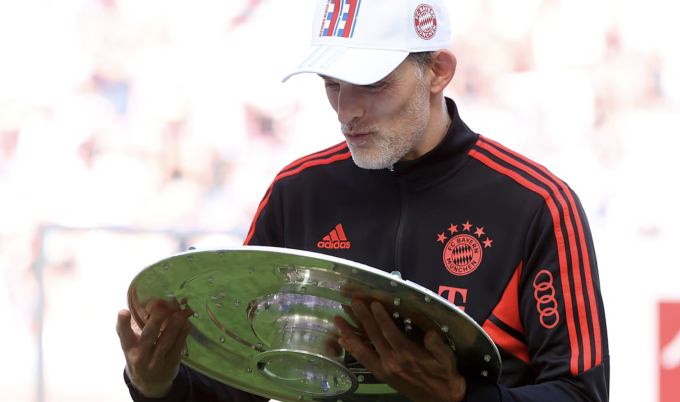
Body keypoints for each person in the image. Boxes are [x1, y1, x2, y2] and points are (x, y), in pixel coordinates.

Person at [116, 0, 610, 401]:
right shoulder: (298, 192)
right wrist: (160, 388)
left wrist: (459, 397)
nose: (347, 112)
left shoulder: (537, 204)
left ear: (438, 70)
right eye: (332, 86)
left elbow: (581, 394)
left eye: (373, 85)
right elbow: (247, 380)